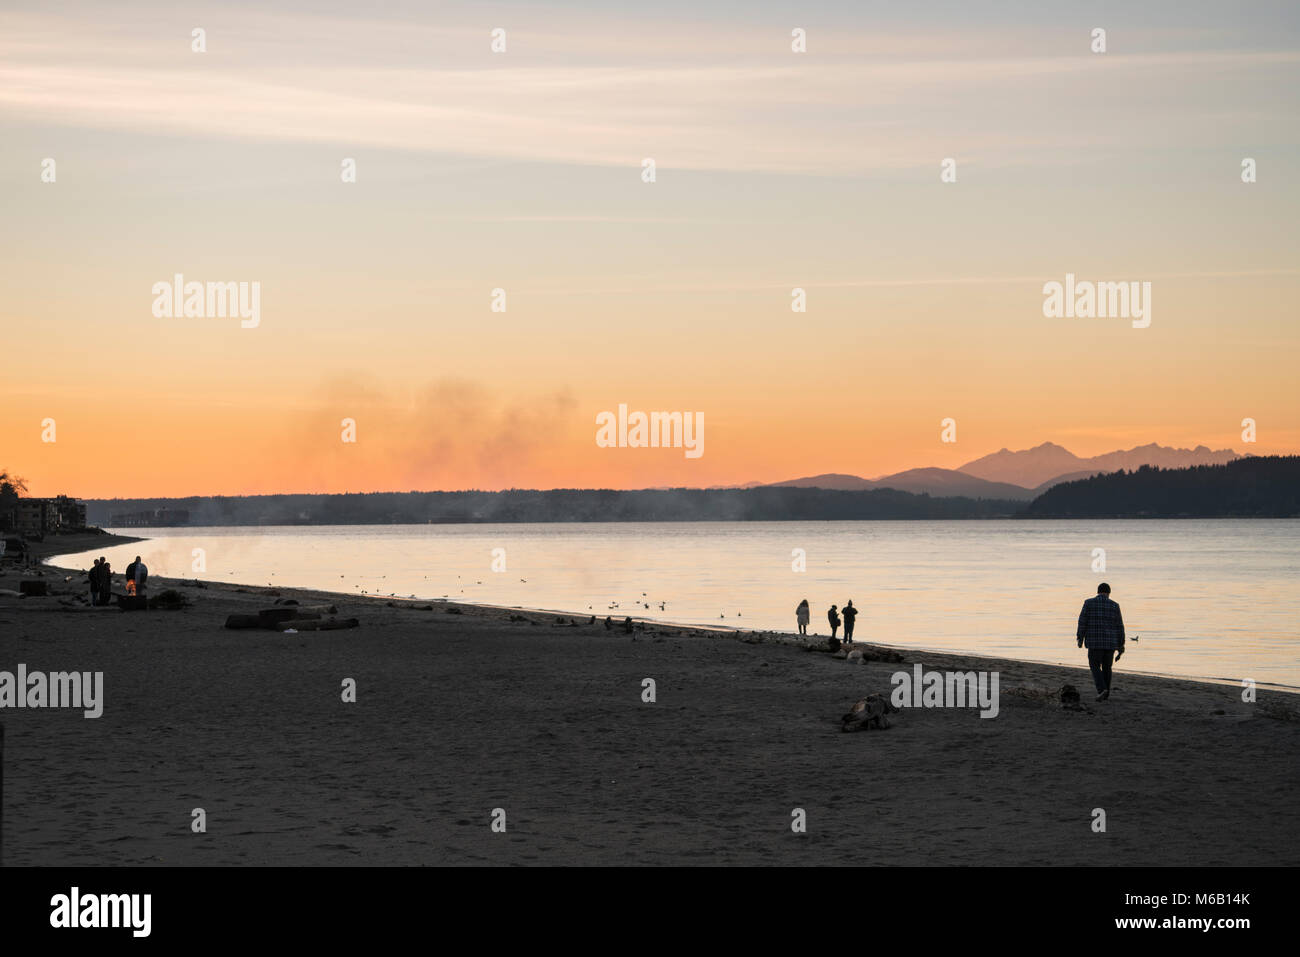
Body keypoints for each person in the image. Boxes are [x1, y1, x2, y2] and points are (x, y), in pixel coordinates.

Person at [1077, 582, 1126, 701]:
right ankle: (1106, 693)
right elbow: (1120, 626)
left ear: (1098, 591)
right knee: (1107, 668)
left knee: (1094, 665)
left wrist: (1080, 638)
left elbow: (1082, 622)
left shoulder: (1088, 603)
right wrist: (1121, 645)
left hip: (1095, 642)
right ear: (1109, 593)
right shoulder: (1115, 605)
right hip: (1110, 644)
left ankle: (1101, 689)